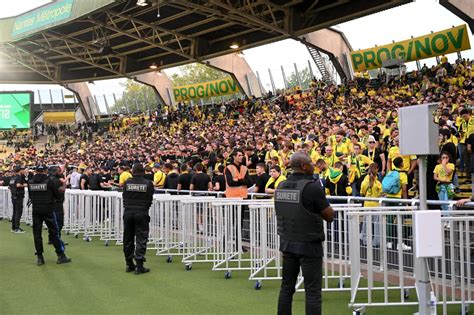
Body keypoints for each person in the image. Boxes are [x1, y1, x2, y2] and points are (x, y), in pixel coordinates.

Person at [274, 152, 334, 315]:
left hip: (287, 243)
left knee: (286, 287)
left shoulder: (280, 186)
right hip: (309, 245)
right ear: (303, 166)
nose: (313, 165)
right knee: (312, 291)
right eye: (310, 163)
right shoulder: (312, 187)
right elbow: (329, 216)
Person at [28, 165, 71, 266]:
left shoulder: (30, 182)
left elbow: (30, 195)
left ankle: (40, 257)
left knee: (37, 234)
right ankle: (60, 255)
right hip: (48, 209)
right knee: (54, 232)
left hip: (36, 210)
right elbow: (57, 195)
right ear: (45, 171)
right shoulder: (49, 181)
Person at [122, 163, 154, 274]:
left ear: (133, 171)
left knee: (128, 239)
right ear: (144, 172)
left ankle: (129, 264)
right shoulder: (148, 184)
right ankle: (139, 266)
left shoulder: (127, 183)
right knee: (141, 238)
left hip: (128, 212)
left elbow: (124, 196)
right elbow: (150, 198)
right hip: (142, 213)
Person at [9, 166, 27, 233]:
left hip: (13, 196)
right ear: (20, 171)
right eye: (23, 170)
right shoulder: (19, 177)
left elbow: (9, 187)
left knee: (15, 212)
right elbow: (18, 185)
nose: (24, 171)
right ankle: (17, 228)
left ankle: (13, 227)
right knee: (18, 212)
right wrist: (26, 185)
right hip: (18, 196)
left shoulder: (13, 177)